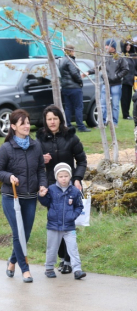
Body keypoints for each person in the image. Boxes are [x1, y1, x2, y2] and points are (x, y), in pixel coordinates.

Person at [36, 105, 87, 274]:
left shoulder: (71, 137)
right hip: (52, 187)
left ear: (60, 120)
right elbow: (34, 163)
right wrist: (41, 159)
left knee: (68, 222)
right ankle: (60, 257)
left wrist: (77, 178)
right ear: (45, 121)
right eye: (49, 119)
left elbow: (81, 160)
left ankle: (67, 260)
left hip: (70, 186)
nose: (52, 122)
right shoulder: (40, 140)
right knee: (56, 223)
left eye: (55, 118)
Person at [1, 109, 47, 283]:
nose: (27, 126)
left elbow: (41, 169)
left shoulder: (35, 146)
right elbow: (0, 170)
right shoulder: (6, 148)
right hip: (11, 197)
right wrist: (8, 177)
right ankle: (25, 269)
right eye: (23, 123)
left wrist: (42, 185)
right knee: (17, 233)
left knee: (25, 234)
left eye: (28, 122)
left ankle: (12, 261)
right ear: (13, 126)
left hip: (30, 197)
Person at [38, 162, 86, 280]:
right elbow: (46, 203)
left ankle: (77, 270)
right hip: (53, 226)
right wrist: (41, 196)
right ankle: (49, 268)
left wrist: (72, 216)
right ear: (56, 177)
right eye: (61, 176)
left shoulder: (74, 191)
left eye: (66, 176)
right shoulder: (52, 189)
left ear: (70, 176)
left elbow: (79, 206)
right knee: (52, 248)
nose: (63, 179)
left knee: (73, 248)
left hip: (69, 227)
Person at [86, 39, 129, 127]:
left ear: (112, 47)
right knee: (102, 104)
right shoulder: (104, 57)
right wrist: (89, 72)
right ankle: (102, 122)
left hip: (116, 84)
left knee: (115, 105)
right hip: (106, 83)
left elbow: (125, 69)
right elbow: (98, 67)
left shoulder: (120, 57)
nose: (105, 47)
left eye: (107, 46)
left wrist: (116, 76)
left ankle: (114, 123)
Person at [60, 45, 91, 132]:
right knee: (78, 107)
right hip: (74, 87)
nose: (74, 52)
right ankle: (81, 126)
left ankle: (68, 125)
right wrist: (80, 81)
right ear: (71, 51)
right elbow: (74, 73)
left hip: (65, 87)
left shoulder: (62, 60)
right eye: (73, 51)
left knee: (68, 107)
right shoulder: (70, 61)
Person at [120, 41, 137, 120]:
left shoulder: (132, 56)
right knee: (125, 98)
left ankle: (127, 113)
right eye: (127, 45)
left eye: (129, 45)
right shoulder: (122, 56)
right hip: (124, 80)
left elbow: (135, 67)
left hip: (132, 80)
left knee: (129, 97)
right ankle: (125, 114)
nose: (128, 46)